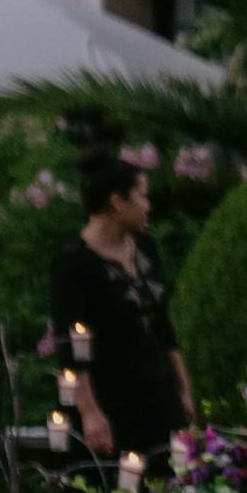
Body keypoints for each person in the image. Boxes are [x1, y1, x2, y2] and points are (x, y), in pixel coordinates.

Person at [51, 152, 193, 468]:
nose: (148, 205)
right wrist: (90, 413)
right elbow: (69, 348)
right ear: (117, 201)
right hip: (111, 400)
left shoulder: (146, 248)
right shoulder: (73, 265)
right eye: (142, 195)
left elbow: (164, 327)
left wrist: (183, 391)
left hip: (158, 396)